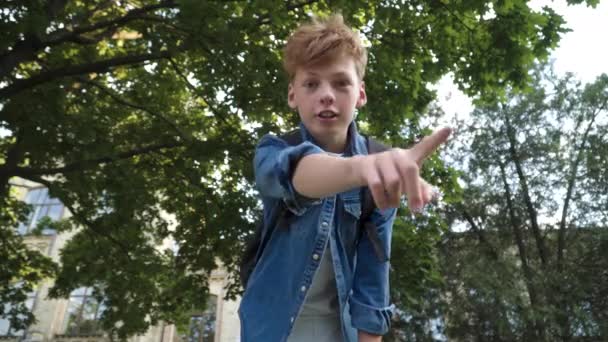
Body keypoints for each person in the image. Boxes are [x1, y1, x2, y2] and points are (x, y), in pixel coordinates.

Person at [238, 14, 451, 342]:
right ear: (293, 94)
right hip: (270, 329)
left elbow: (373, 273)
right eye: (311, 83)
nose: (326, 95)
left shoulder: (383, 171)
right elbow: (298, 173)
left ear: (360, 94)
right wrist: (362, 169)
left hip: (340, 331)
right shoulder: (272, 150)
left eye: (340, 83)